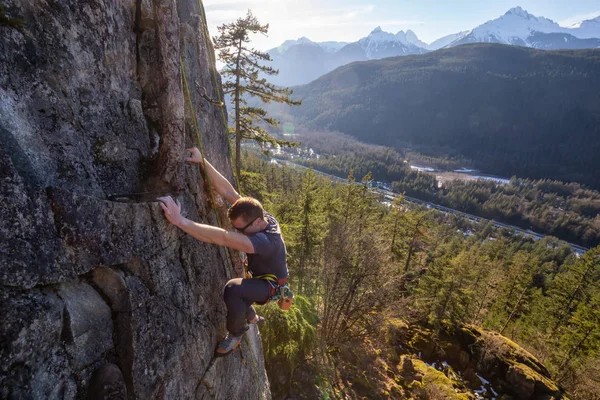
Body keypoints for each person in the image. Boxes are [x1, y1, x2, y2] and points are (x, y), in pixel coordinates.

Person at [158, 147, 289, 357]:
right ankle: (252, 316)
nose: (238, 232)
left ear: (256, 222)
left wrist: (180, 220)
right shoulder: (263, 218)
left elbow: (222, 237)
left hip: (271, 285)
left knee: (233, 289)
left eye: (241, 229)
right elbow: (229, 193)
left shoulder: (265, 242)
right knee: (244, 291)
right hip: (264, 276)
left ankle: (237, 333)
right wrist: (203, 161)